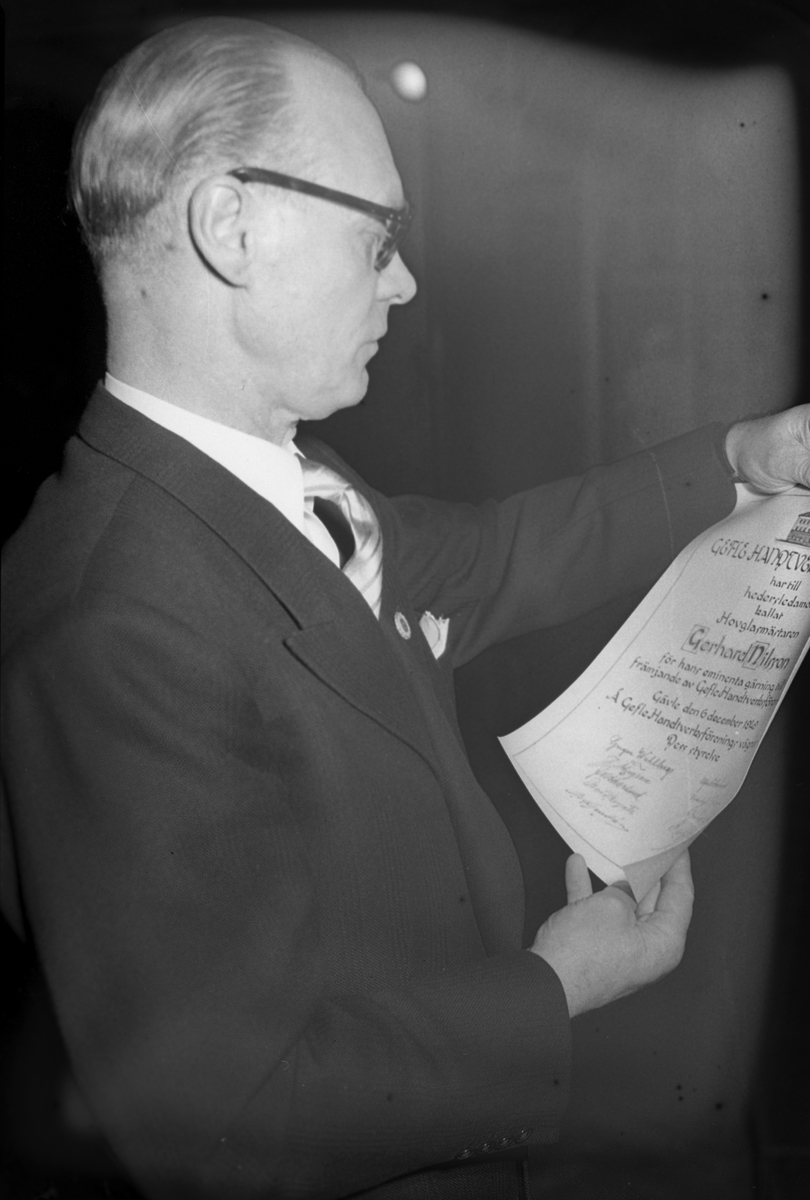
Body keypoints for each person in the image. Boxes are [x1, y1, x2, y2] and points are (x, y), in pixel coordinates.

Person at [1, 16, 808, 1200]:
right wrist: (555, 989)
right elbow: (227, 1124)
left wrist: (736, 459)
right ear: (233, 227)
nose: (405, 279)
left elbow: (488, 557)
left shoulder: (274, 481)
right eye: (378, 236)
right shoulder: (109, 616)